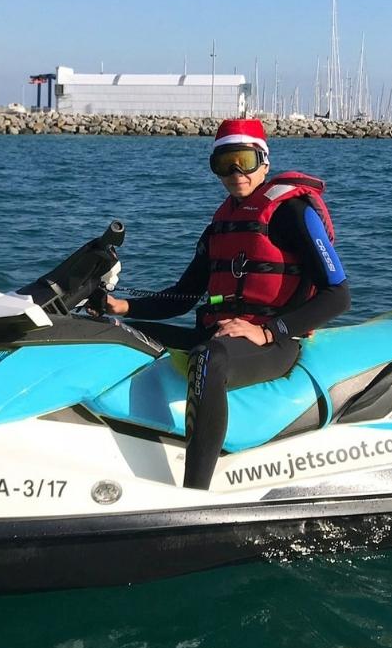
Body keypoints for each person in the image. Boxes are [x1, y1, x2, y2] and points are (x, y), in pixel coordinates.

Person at [99, 118, 351, 490]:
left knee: (208, 358)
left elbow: (339, 296)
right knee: (110, 332)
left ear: (264, 162)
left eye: (244, 160)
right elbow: (184, 293)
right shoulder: (222, 224)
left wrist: (268, 331)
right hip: (216, 336)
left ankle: (194, 493)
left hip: (274, 343)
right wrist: (123, 309)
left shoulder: (293, 213)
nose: (235, 172)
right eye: (224, 162)